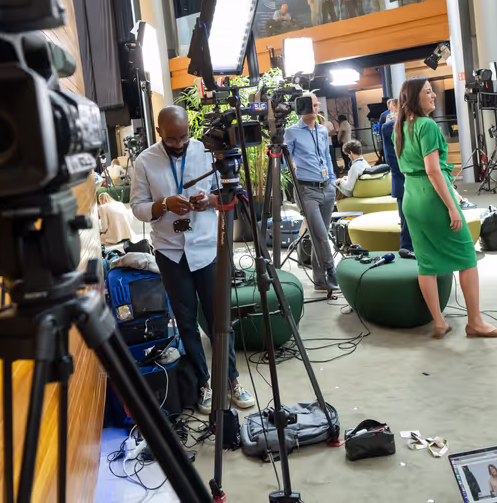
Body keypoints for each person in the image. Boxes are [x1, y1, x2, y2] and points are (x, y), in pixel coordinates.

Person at [131, 106, 256, 414]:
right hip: (170, 251)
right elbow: (137, 207)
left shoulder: (205, 151)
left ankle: (231, 381)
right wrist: (163, 204)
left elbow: (223, 195)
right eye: (172, 139)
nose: (179, 143)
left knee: (219, 318)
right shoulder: (145, 161)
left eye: (183, 136)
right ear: (159, 132)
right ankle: (203, 383)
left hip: (207, 249)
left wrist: (209, 201)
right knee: (186, 322)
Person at [394, 77, 497, 340]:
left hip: (411, 196)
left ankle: (438, 322)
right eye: (427, 92)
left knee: (426, 263)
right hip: (432, 197)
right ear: (414, 97)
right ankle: (475, 322)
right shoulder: (427, 126)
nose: (433, 95)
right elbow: (434, 171)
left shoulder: (401, 127)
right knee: (468, 257)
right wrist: (452, 207)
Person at [285, 93, 340, 293]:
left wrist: (332, 181)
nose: (315, 109)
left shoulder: (323, 131)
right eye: (311, 105)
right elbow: (285, 163)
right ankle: (331, 271)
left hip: (326, 187)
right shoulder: (291, 132)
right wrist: (275, 153)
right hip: (306, 190)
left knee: (320, 236)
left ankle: (319, 281)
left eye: (317, 105)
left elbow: (327, 157)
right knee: (321, 235)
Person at [379, 109, 414, 258]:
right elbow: (391, 159)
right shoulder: (389, 128)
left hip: (420, 180)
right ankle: (406, 248)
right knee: (406, 219)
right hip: (403, 180)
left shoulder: (423, 124)